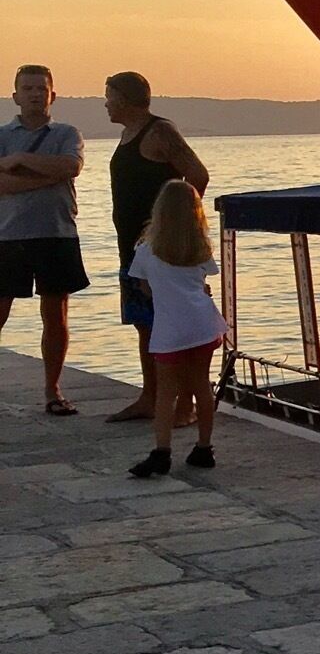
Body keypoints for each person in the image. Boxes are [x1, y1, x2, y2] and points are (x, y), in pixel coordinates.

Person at [103, 74, 210, 424]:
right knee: (145, 324)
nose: (106, 103)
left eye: (109, 96)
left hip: (163, 250)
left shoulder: (159, 132)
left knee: (174, 324)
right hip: (133, 249)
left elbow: (197, 175)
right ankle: (150, 397)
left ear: (124, 99)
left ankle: (186, 404)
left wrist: (177, 224)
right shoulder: (128, 135)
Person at [0, 65, 89, 414]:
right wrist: (47, 176)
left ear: (53, 94)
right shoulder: (2, 136)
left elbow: (70, 168)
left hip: (56, 233)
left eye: (41, 88)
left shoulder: (67, 133)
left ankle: (53, 390)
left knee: (56, 315)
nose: (35, 94)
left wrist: (20, 160)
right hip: (8, 235)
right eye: (28, 88)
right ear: (16, 96)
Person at [125, 180, 226, 479]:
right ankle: (204, 447)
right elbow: (202, 282)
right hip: (203, 324)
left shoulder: (146, 250)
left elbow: (144, 287)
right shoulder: (200, 247)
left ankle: (162, 452)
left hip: (171, 328)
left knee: (166, 392)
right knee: (201, 386)